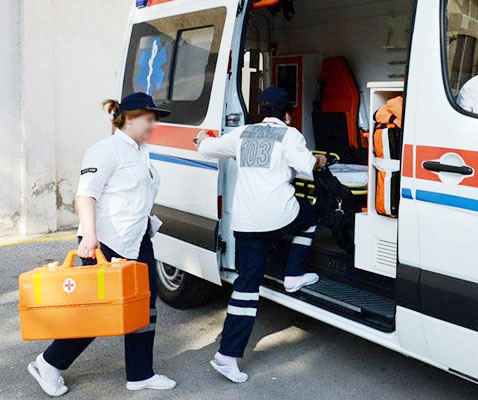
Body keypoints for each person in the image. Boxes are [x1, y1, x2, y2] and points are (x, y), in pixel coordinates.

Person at [27, 92, 176, 396]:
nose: (153, 126)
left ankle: (140, 373)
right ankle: (48, 363)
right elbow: (86, 194)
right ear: (129, 118)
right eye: (149, 119)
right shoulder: (105, 150)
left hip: (136, 239)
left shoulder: (140, 151)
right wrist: (89, 236)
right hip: (106, 242)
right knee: (98, 311)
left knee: (144, 306)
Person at [194, 87, 327, 383]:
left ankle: (227, 356)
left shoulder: (243, 133)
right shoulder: (290, 135)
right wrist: (320, 160)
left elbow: (205, 149)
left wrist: (202, 137)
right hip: (281, 216)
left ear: (262, 111)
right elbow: (307, 166)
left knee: (246, 288)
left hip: (247, 223)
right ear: (287, 114)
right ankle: (293, 275)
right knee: (312, 214)